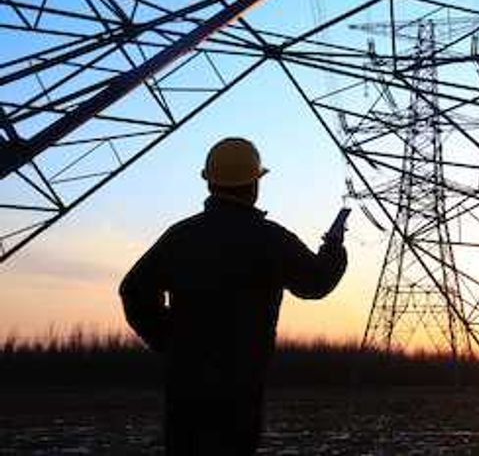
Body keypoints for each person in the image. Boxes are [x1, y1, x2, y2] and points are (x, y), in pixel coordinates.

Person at [119, 137, 348, 455]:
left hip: (186, 383)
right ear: (254, 185)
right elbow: (315, 283)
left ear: (210, 183)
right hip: (241, 383)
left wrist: (171, 342)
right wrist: (333, 248)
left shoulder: (181, 236)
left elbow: (133, 291)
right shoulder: (270, 239)